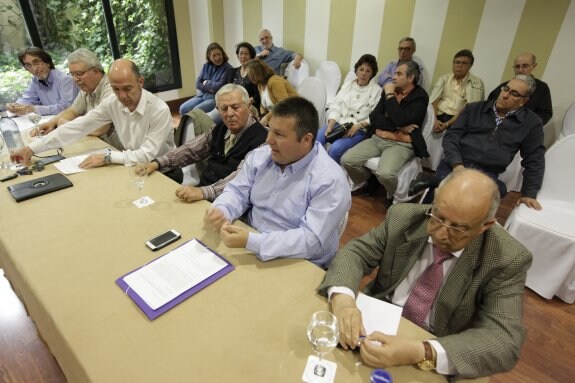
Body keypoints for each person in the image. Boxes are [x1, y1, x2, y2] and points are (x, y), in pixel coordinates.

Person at [318, 169, 532, 379]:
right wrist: (344, 301)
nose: (440, 233)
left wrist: (422, 351)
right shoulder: (404, 217)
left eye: (457, 228)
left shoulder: (506, 258)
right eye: (438, 216)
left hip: (438, 341)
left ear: (485, 226)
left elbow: (504, 340)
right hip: (377, 320)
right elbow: (356, 253)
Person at [204, 97, 351, 269]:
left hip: (300, 262)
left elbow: (310, 241)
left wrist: (253, 241)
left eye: (279, 134)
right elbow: (237, 192)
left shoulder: (330, 181)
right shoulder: (260, 156)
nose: (268, 140)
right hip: (251, 245)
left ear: (306, 140)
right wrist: (223, 210)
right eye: (270, 130)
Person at [411, 75, 545, 210]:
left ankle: (435, 181)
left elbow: (534, 159)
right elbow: (452, 137)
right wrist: (457, 165)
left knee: (484, 194)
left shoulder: (531, 123)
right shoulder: (474, 109)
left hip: (487, 172)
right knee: (445, 197)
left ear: (523, 101)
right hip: (455, 165)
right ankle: (431, 209)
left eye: (514, 94)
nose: (505, 95)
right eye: (506, 89)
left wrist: (530, 193)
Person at [11, 59, 175, 168]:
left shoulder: (158, 109)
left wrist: (108, 157)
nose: (122, 96)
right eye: (116, 89)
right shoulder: (113, 102)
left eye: (127, 89)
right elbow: (78, 126)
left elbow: (147, 155)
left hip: (162, 169)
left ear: (140, 82)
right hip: (131, 165)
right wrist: (31, 149)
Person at [145, 84, 268, 203]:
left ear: (249, 106)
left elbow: (240, 179)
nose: (229, 114)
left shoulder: (262, 141)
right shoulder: (220, 130)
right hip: (204, 195)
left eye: (235, 107)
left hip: (231, 204)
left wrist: (202, 192)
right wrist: (158, 162)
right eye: (224, 108)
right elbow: (190, 150)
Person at [341, 61, 429, 209]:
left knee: (386, 174)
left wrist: (390, 95)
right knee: (347, 160)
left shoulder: (420, 96)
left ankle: (390, 193)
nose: (394, 77)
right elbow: (375, 117)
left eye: (399, 74)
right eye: (394, 73)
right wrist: (399, 125)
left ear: (411, 77)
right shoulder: (389, 89)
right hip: (377, 138)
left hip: (401, 144)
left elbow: (402, 118)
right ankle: (367, 179)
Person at [31, 48, 123, 150]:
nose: (75, 79)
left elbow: (99, 128)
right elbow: (72, 111)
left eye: (79, 74)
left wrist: (67, 125)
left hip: (121, 151)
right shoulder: (87, 88)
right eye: (72, 74)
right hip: (100, 145)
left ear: (96, 71)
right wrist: (50, 123)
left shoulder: (111, 88)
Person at [316, 54, 382, 164]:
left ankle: (333, 177)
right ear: (356, 71)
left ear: (372, 74)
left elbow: (375, 116)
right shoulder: (347, 85)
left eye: (368, 71)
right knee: (316, 140)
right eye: (361, 69)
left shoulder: (377, 91)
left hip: (358, 130)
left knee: (336, 149)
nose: (364, 73)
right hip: (339, 123)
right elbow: (336, 106)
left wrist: (358, 126)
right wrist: (331, 124)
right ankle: (315, 170)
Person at [7, 47, 78, 116]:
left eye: (37, 63)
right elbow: (28, 99)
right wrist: (15, 106)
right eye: (28, 65)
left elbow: (66, 107)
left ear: (48, 62)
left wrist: (35, 109)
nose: (34, 69)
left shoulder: (65, 79)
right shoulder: (35, 80)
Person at [487, 52, 552, 125]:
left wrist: (525, 125)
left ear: (534, 66)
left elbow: (545, 113)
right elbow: (489, 107)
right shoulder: (503, 86)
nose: (520, 70)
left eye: (525, 66)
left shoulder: (542, 88)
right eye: (517, 66)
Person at [429, 49, 484, 133]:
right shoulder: (444, 79)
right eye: (457, 62)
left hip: (459, 120)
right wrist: (434, 120)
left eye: (464, 63)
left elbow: (469, 110)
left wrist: (447, 124)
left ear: (470, 66)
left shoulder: (476, 83)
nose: (460, 66)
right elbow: (433, 102)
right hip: (438, 115)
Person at [206, 42, 261, 124]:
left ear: (251, 56)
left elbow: (258, 95)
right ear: (238, 56)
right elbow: (225, 90)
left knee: (211, 119)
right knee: (207, 118)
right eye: (241, 53)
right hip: (229, 104)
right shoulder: (231, 72)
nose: (243, 56)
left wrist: (244, 102)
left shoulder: (256, 73)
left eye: (246, 54)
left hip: (247, 106)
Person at [179, 42, 232, 115]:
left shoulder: (228, 68)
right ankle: (186, 126)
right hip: (202, 95)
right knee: (183, 109)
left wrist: (206, 82)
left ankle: (196, 126)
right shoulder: (206, 66)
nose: (217, 58)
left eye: (219, 54)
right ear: (209, 57)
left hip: (214, 99)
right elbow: (197, 84)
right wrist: (211, 88)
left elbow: (218, 87)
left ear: (222, 54)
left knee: (195, 111)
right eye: (214, 55)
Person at [246, 59, 298, 127]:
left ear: (257, 73)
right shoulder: (260, 85)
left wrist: (266, 118)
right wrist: (262, 117)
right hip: (278, 116)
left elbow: (284, 104)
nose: (249, 77)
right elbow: (263, 105)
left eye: (250, 74)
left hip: (293, 115)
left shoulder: (275, 81)